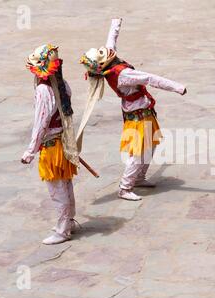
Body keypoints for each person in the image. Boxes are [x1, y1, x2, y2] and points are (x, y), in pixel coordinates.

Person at [77, 18, 187, 201]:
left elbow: (111, 41)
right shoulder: (123, 75)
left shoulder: (110, 66)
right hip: (137, 117)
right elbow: (151, 78)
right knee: (138, 153)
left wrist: (115, 23)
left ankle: (139, 178)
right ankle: (125, 187)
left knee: (151, 146)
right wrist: (177, 87)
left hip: (142, 112)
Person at [21, 44, 79, 245]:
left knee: (57, 189)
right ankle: (68, 222)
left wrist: (30, 150)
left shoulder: (44, 90)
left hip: (52, 146)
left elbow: (41, 122)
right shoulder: (61, 83)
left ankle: (63, 229)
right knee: (66, 184)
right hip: (62, 142)